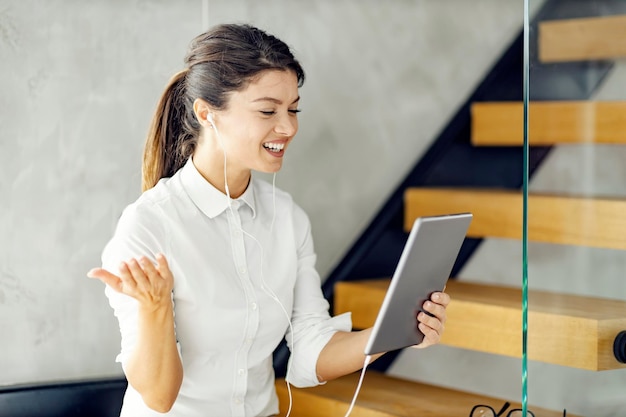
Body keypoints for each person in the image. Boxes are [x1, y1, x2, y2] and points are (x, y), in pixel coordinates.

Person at [88, 23, 450, 417]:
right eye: (267, 111)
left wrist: (393, 332)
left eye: (293, 109)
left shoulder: (288, 219)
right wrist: (154, 309)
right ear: (207, 113)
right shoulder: (148, 226)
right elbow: (159, 398)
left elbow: (311, 349)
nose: (289, 127)